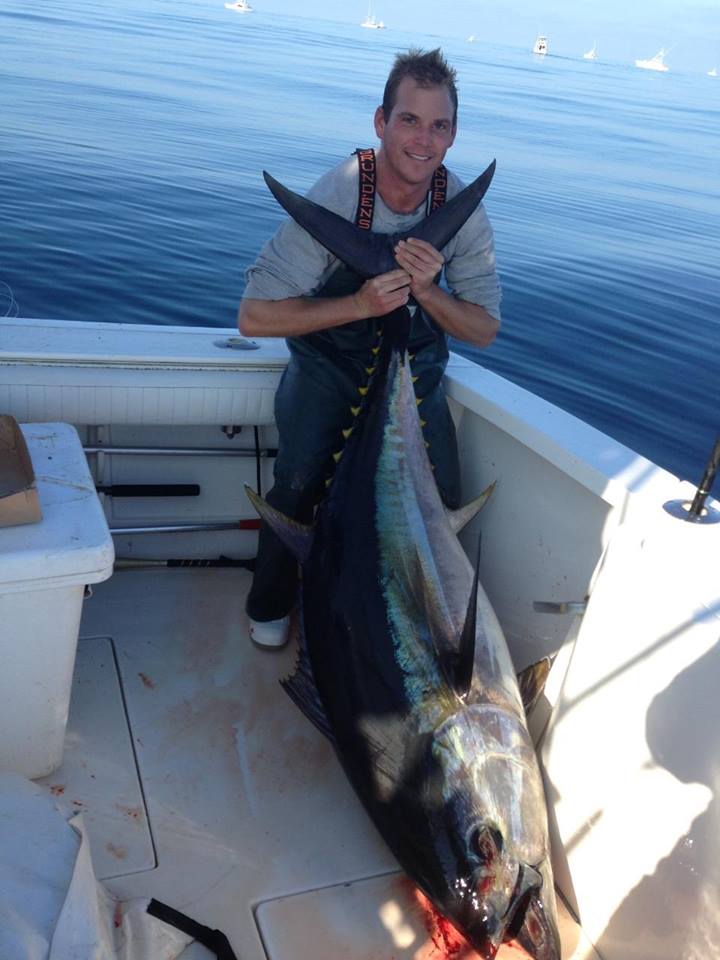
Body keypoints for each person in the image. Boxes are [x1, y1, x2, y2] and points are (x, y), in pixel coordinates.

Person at [238, 47, 501, 649]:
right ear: (381, 122)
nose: (423, 139)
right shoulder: (338, 195)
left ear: (453, 135)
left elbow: (484, 329)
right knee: (299, 483)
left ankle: (416, 620)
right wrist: (360, 304)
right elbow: (253, 316)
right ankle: (272, 600)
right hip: (328, 366)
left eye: (439, 126)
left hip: (416, 372)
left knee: (442, 500)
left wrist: (428, 291)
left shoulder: (460, 210)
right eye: (409, 120)